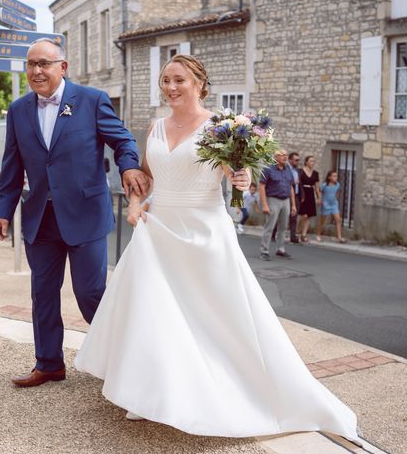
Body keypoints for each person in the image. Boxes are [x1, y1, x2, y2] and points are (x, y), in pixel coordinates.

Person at [74, 54, 359, 443]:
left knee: (213, 317)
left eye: (179, 80)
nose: (171, 88)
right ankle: (148, 393)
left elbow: (236, 175)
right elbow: (149, 176)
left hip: (204, 232)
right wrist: (138, 205)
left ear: (199, 83)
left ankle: (228, 389)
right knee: (154, 314)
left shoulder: (219, 128)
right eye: (165, 81)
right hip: (158, 232)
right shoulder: (156, 126)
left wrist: (242, 179)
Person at [0, 38, 149, 387]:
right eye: (32, 64)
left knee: (90, 292)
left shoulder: (92, 100)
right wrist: (4, 210)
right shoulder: (18, 110)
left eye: (44, 63)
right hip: (40, 219)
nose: (37, 71)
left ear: (63, 67)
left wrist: (128, 167)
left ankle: (126, 359)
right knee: (42, 293)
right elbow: (12, 165)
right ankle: (48, 364)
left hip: (85, 214)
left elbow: (122, 140)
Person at [259, 150, 296, 261]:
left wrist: (293, 204)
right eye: (282, 155)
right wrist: (265, 204)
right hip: (272, 199)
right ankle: (264, 251)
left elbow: (291, 187)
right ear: (276, 157)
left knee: (283, 226)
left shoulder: (288, 169)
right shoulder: (268, 169)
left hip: (285, 200)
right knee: (269, 226)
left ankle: (280, 249)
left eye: (286, 155)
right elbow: (261, 187)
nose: (285, 157)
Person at [271, 152, 300, 242]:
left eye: (298, 160)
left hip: (294, 195)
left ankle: (292, 236)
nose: (297, 162)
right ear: (291, 160)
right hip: (279, 196)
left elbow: (295, 184)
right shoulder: (282, 169)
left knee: (293, 217)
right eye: (296, 160)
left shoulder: (296, 171)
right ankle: (272, 234)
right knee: (277, 217)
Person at [316, 170, 345, 243]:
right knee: (323, 221)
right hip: (326, 204)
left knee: (338, 220)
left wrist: (335, 199)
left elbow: (338, 192)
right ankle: (318, 235)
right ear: (329, 177)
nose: (336, 177)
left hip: (334, 204)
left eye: (336, 176)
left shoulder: (337, 184)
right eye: (334, 176)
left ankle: (339, 237)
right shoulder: (324, 185)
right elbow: (319, 192)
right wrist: (320, 200)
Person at [298, 155, 321, 242]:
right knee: (302, 215)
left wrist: (318, 197)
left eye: (314, 161)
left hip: (310, 194)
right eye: (311, 161)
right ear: (306, 162)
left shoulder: (315, 173)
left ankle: (304, 234)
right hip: (302, 193)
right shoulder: (300, 171)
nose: (313, 163)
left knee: (308, 216)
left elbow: (317, 187)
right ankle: (297, 231)